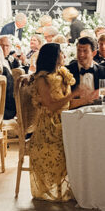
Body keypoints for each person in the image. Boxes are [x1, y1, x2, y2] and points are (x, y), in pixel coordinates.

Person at [29, 43, 75, 202]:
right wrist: (74, 94)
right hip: (49, 125)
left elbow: (69, 104)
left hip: (66, 119)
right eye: (61, 52)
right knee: (72, 144)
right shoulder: (42, 80)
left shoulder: (62, 74)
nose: (64, 55)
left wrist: (88, 98)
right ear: (54, 57)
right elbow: (52, 106)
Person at [64, 36, 105, 104]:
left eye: (85, 51)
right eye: (79, 51)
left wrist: (102, 92)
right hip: (75, 109)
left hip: (98, 109)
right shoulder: (67, 71)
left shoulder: (103, 71)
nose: (81, 54)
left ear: (94, 53)